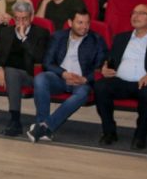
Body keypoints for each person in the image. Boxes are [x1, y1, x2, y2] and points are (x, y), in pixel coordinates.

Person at [94, 4, 147, 149]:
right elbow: (108, 58)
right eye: (133, 13)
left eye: (141, 13)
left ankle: (140, 135)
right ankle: (109, 131)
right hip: (120, 81)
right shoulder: (121, 38)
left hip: (144, 82)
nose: (135, 16)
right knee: (100, 86)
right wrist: (104, 67)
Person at [0, 2, 48, 136]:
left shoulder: (41, 33)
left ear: (31, 17)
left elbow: (40, 57)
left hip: (27, 75)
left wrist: (24, 38)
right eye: (17, 18)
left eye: (25, 19)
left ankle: (15, 121)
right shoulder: (6, 31)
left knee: (11, 72)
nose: (21, 22)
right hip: (4, 72)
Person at [29, 9, 107, 142]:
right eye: (80, 22)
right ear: (70, 23)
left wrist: (85, 79)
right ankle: (42, 122)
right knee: (40, 78)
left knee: (83, 93)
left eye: (87, 23)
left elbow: (100, 68)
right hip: (60, 78)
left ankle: (44, 126)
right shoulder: (58, 37)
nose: (84, 26)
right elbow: (47, 62)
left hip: (81, 82)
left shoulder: (97, 40)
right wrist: (63, 73)